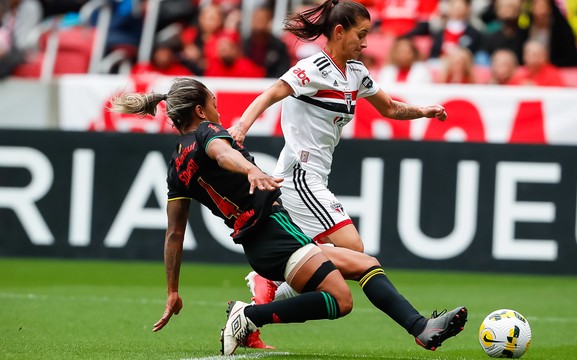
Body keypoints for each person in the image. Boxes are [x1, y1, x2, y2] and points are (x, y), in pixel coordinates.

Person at [109, 77, 467, 356]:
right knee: (341, 300)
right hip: (271, 233)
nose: (218, 112)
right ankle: (249, 317)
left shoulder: (176, 167)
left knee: (363, 262)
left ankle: (421, 328)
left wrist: (172, 290)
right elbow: (221, 153)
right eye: (214, 104)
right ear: (201, 111)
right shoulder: (208, 133)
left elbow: (174, 234)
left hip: (268, 235)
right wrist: (248, 169)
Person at [229, 0, 448, 332]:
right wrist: (242, 128)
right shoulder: (313, 67)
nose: (365, 43)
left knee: (330, 256)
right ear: (339, 31)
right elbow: (271, 93)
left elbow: (389, 108)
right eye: (361, 35)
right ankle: (417, 327)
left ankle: (268, 290)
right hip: (298, 176)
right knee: (354, 251)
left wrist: (423, 111)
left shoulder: (357, 73)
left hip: (315, 176)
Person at [242, 6, 291, 79]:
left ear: (269, 21)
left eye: (262, 19)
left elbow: (282, 71)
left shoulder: (279, 46)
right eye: (256, 19)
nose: (258, 22)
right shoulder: (243, 44)